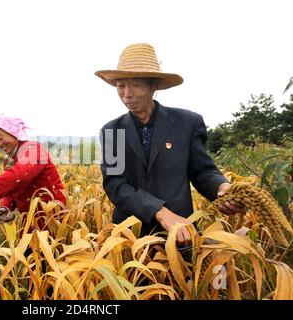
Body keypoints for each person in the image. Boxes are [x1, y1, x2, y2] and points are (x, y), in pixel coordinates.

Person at [96, 43, 245, 247]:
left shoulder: (187, 123)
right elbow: (116, 185)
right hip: (130, 237)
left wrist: (221, 187)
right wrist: (160, 212)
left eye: (136, 84)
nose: (127, 94)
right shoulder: (112, 131)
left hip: (181, 233)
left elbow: (202, 171)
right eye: (121, 86)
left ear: (153, 86)